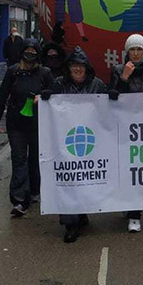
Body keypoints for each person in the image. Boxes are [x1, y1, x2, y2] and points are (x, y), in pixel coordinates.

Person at [42, 47, 109, 242]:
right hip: (66, 141)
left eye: (81, 66)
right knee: (69, 178)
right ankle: (70, 223)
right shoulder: (59, 84)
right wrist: (47, 98)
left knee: (86, 177)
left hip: (92, 139)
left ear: (87, 67)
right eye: (74, 66)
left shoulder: (97, 85)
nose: (78, 69)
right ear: (68, 68)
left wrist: (113, 96)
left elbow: (109, 111)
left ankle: (82, 212)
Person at [0, 38, 55, 217]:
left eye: (33, 52)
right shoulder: (13, 72)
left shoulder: (45, 73)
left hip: (37, 124)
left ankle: (35, 190)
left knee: (34, 159)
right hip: (16, 124)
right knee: (19, 159)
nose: (30, 55)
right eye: (27, 51)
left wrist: (42, 96)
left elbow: (55, 94)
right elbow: (2, 97)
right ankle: (19, 200)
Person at [109, 33, 143, 233]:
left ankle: (135, 214)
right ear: (127, 51)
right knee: (125, 168)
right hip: (124, 126)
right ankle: (128, 205)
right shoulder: (117, 70)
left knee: (140, 169)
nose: (136, 53)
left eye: (140, 49)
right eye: (133, 49)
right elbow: (111, 96)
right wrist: (124, 78)